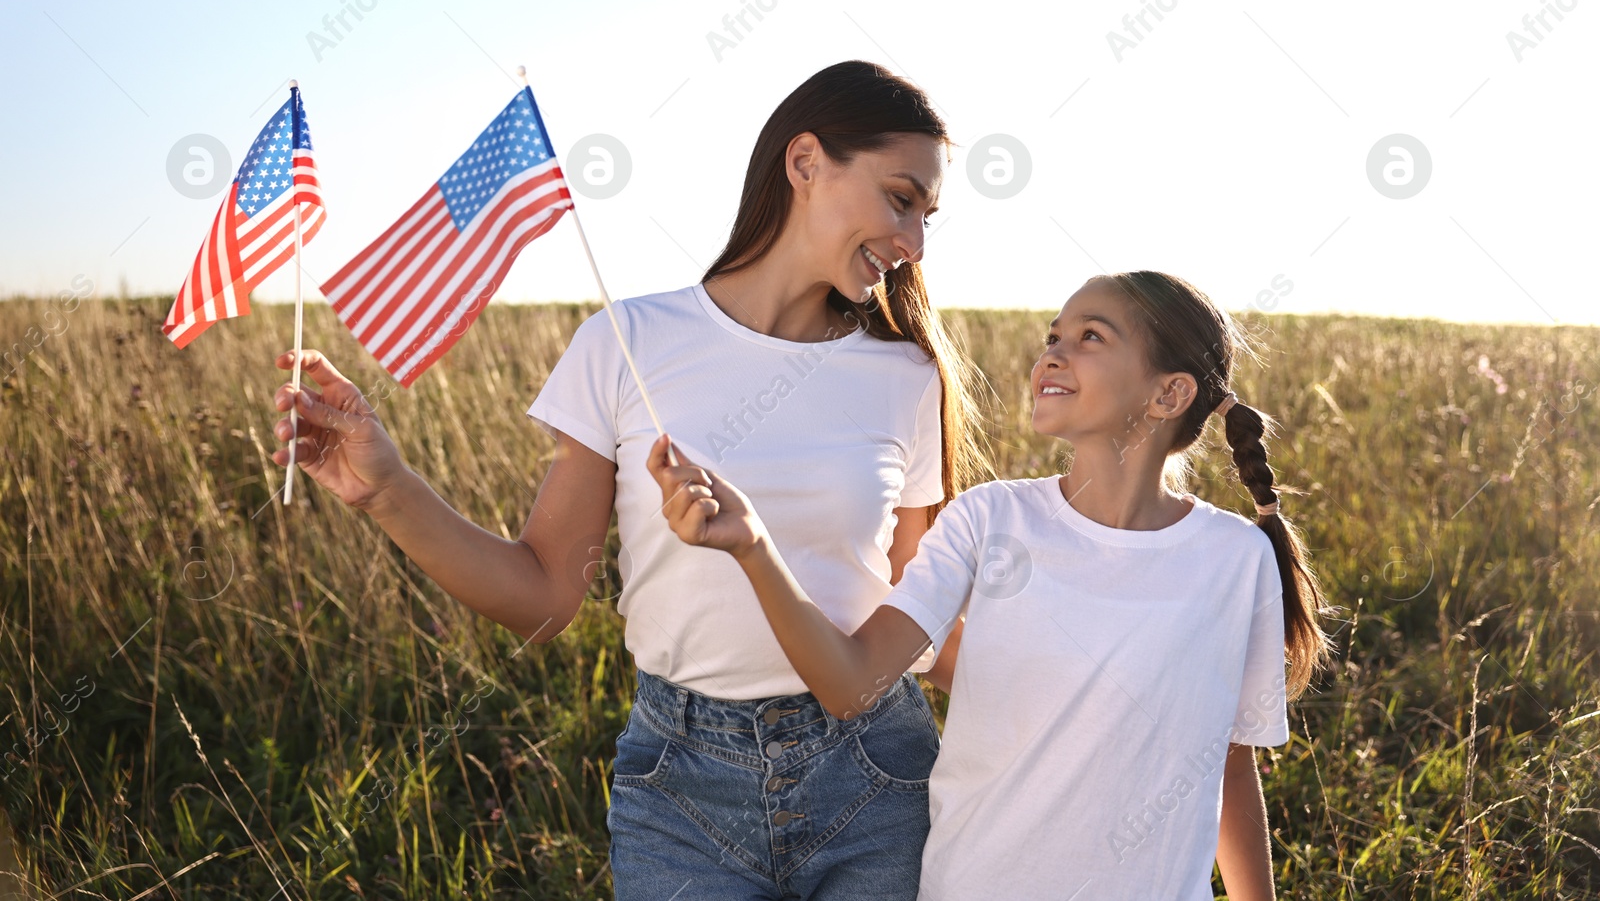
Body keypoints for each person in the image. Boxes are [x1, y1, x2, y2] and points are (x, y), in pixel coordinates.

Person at [268, 60, 992, 900]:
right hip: (683, 788)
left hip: (875, 773)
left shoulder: (905, 374)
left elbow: (923, 623)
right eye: (901, 198)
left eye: (928, 214)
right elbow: (544, 595)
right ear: (804, 163)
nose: (916, 240)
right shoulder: (628, 342)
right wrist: (387, 488)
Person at [647, 270, 1333, 900]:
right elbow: (851, 683)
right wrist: (753, 546)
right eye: (1052, 336)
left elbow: (1230, 765)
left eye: (1091, 336)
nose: (1052, 355)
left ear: (1169, 393)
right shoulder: (988, 520)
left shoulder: (1236, 559)